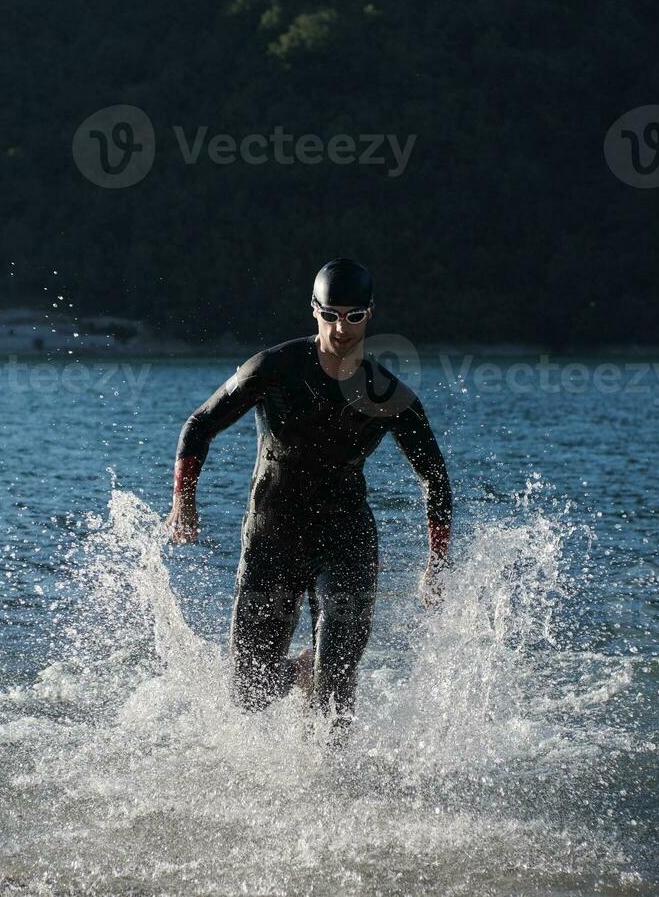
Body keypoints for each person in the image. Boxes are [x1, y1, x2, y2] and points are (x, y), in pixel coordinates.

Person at [167, 258, 452, 731]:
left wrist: (436, 563)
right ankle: (300, 673)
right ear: (314, 311)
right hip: (272, 535)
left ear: (369, 315)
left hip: (346, 541)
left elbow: (435, 478)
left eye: (354, 316)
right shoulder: (273, 368)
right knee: (249, 693)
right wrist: (184, 502)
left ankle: (337, 794)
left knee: (335, 695)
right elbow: (199, 424)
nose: (342, 327)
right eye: (331, 314)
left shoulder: (387, 393)